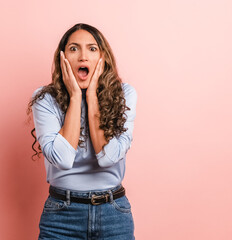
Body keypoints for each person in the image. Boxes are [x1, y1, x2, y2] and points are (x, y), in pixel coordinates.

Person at [27, 23, 137, 240]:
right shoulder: (45, 99)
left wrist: (92, 97)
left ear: (102, 58)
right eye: (74, 48)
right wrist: (76, 96)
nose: (83, 56)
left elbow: (108, 158)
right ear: (63, 58)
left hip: (113, 213)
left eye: (92, 49)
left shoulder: (125, 94)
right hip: (61, 216)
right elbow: (63, 158)